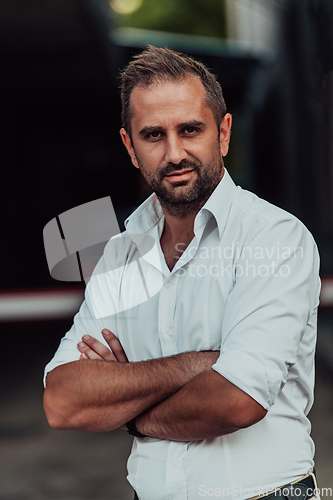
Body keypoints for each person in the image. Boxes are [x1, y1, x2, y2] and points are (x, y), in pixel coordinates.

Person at [43, 46, 321, 500]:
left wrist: (128, 409)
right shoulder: (120, 255)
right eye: (153, 135)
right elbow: (62, 400)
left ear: (224, 133)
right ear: (130, 147)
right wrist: (198, 365)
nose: (174, 153)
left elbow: (235, 400)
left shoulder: (273, 239)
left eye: (190, 129)